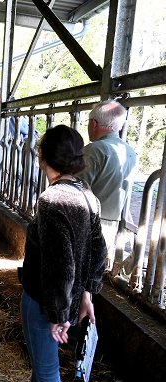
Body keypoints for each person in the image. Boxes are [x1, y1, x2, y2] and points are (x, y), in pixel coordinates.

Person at [9, 125, 106, 382]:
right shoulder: (88, 195)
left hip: (44, 301)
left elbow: (60, 265)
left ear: (42, 158)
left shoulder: (52, 200)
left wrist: (58, 315)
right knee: (43, 363)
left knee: (48, 370)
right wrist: (87, 295)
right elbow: (98, 251)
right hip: (69, 297)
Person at [77, 100, 138, 268]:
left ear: (94, 123)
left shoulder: (94, 150)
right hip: (111, 224)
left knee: (76, 269)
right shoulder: (131, 152)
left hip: (86, 221)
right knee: (93, 270)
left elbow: (76, 189)